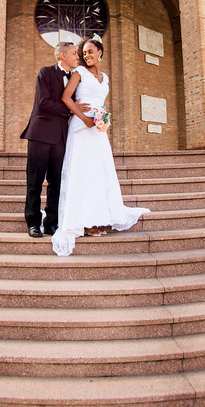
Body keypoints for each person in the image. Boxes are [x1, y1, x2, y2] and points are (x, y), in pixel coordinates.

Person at [52, 37, 149, 257]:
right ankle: (85, 222)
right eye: (83, 53)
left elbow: (100, 103)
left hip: (97, 130)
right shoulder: (80, 73)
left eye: (89, 52)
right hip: (81, 127)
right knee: (82, 172)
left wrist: (101, 117)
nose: (86, 56)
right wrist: (83, 116)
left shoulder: (105, 79)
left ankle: (98, 217)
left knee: (98, 173)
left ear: (100, 53)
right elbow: (66, 97)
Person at [20, 42, 84, 237]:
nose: (77, 56)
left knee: (56, 182)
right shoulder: (45, 72)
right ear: (62, 56)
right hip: (40, 135)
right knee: (35, 182)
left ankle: (51, 223)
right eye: (74, 53)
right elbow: (43, 103)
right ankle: (33, 223)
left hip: (61, 138)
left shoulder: (76, 79)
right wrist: (71, 108)